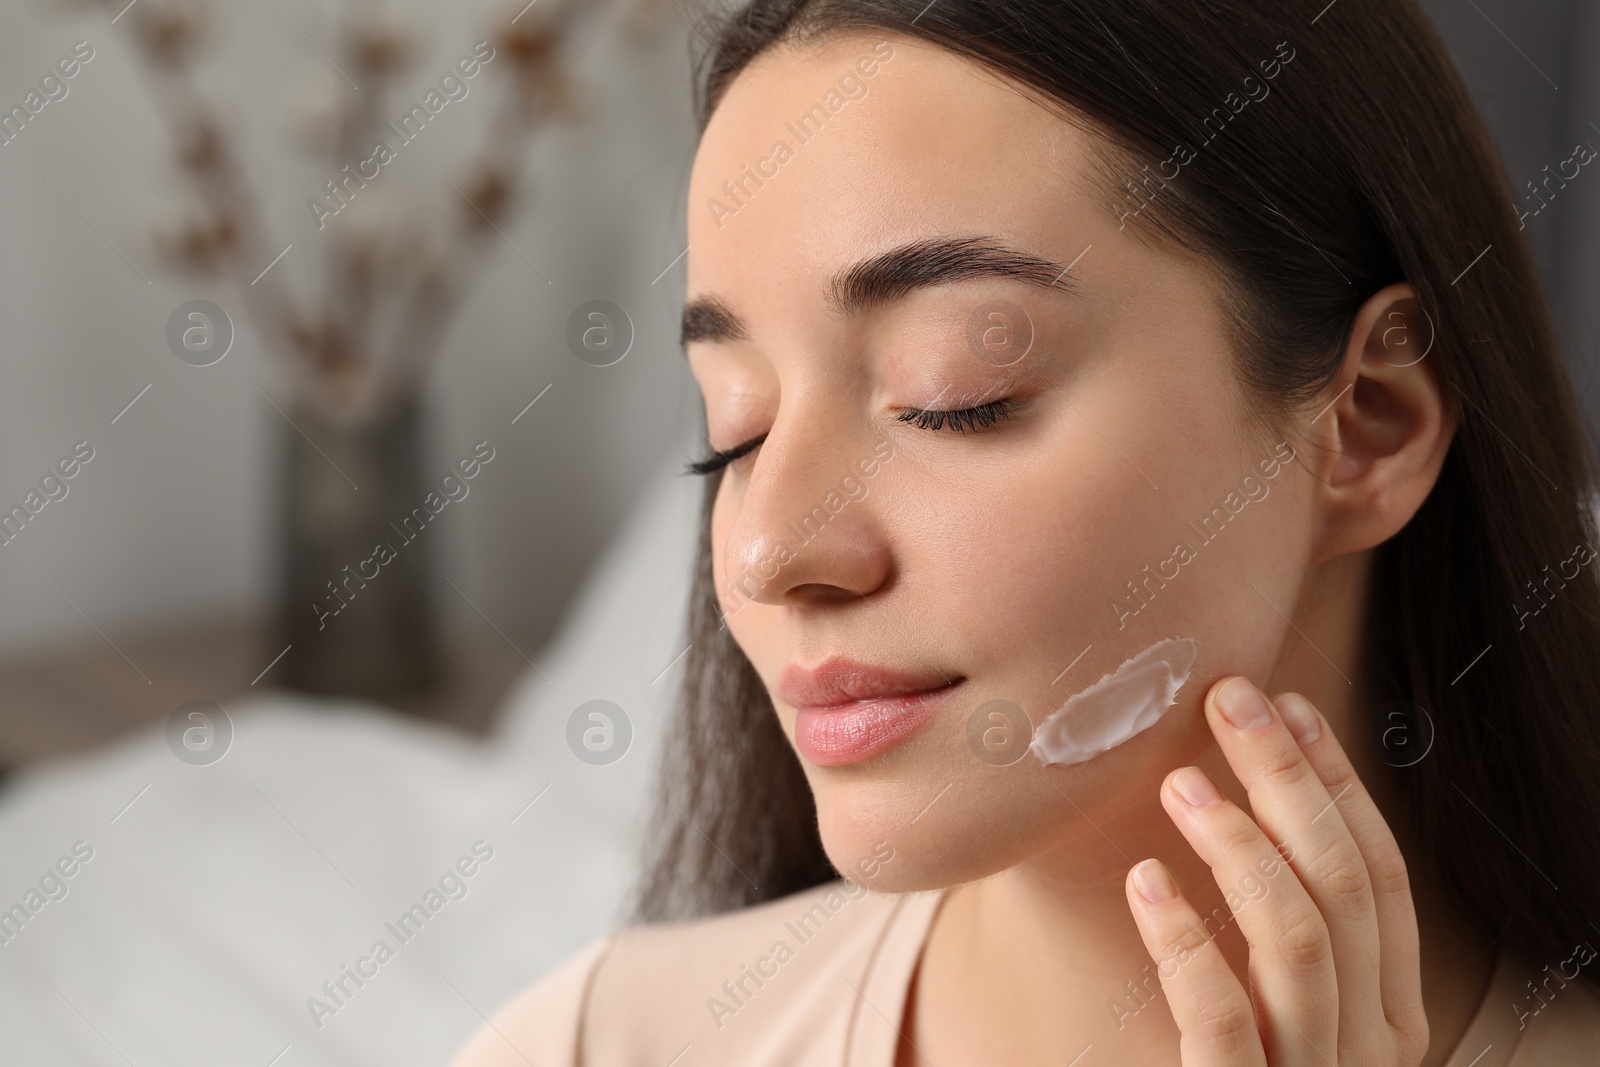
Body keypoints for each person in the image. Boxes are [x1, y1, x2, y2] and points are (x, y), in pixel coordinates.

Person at [453, 0, 1600, 1063]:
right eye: (734, 426)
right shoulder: (596, 1041)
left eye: (952, 393)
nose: (767, 551)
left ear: (1368, 424)